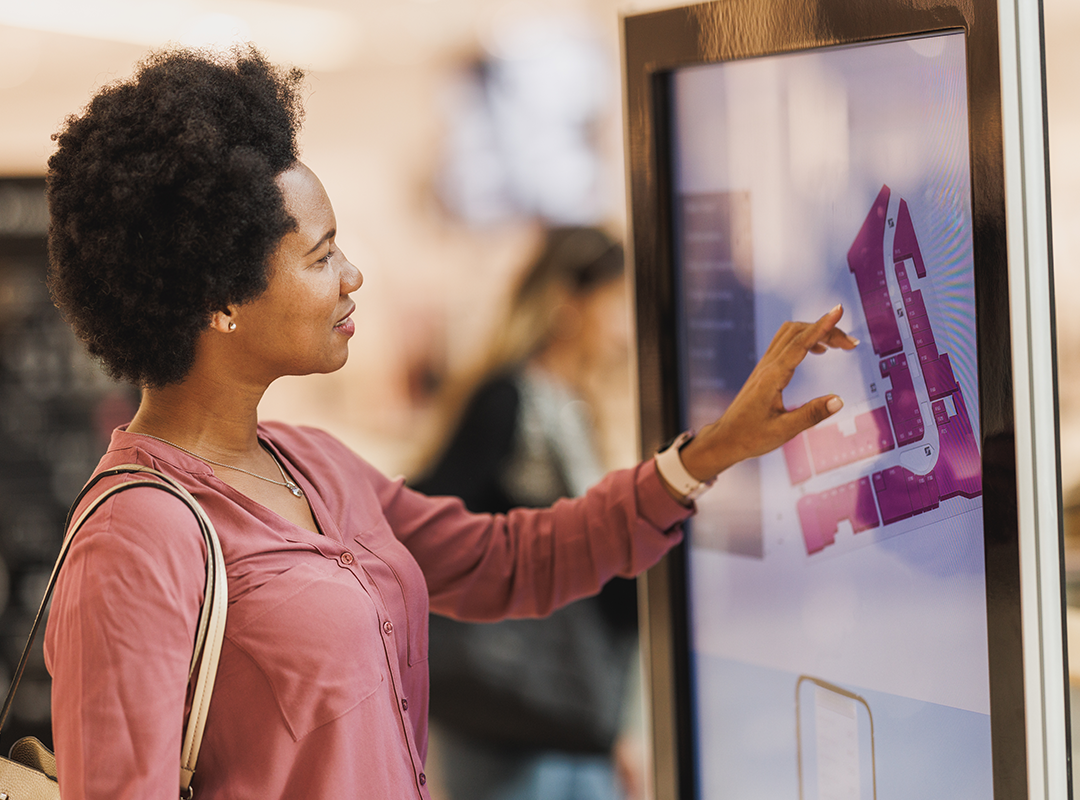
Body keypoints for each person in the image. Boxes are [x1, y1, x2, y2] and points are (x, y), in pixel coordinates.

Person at [41, 46, 856, 800]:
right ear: (220, 298)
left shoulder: (315, 464)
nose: (353, 275)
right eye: (321, 256)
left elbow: (508, 561)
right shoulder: (134, 538)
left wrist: (710, 452)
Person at [412, 227, 641, 800]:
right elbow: (430, 516)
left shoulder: (567, 405)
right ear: (569, 304)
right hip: (508, 706)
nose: (624, 330)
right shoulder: (510, 400)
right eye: (615, 306)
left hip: (565, 708)